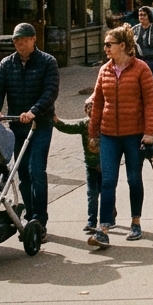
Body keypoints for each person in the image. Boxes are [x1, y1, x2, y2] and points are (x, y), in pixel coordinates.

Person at [87, 25, 153, 248]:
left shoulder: (141, 69)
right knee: (107, 181)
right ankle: (103, 228)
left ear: (123, 46)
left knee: (133, 179)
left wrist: (149, 133)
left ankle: (135, 222)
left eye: (109, 44)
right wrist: (93, 132)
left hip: (134, 134)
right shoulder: (104, 70)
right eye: (105, 44)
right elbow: (98, 102)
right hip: (109, 134)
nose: (105, 48)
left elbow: (150, 103)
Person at [0, 22, 58, 231]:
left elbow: (50, 91)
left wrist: (34, 111)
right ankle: (29, 213)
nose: (21, 44)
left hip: (41, 123)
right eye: (17, 41)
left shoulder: (48, 62)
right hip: (19, 125)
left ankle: (40, 219)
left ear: (33, 40)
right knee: (22, 173)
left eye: (25, 40)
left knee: (36, 170)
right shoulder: (6, 64)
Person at [55, 97, 113, 234]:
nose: (91, 110)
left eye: (94, 107)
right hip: (91, 165)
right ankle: (92, 220)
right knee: (92, 193)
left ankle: (110, 216)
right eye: (88, 108)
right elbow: (68, 128)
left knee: (106, 192)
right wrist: (56, 122)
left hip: (106, 165)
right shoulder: (84, 124)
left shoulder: (107, 125)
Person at [132, 6, 153, 77]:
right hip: (137, 62)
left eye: (144, 15)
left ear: (149, 16)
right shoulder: (134, 30)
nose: (142, 17)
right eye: (140, 15)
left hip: (151, 62)